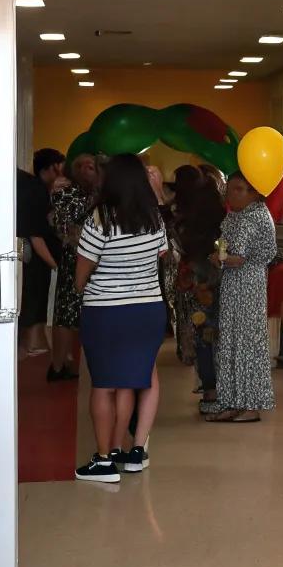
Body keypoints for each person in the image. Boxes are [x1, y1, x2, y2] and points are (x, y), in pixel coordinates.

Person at [74, 153, 168, 485]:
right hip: (148, 310)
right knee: (128, 380)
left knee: (102, 385)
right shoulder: (153, 217)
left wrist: (81, 286)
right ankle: (116, 448)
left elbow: (83, 268)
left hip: (106, 311)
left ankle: (103, 462)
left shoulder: (99, 218)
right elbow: (161, 256)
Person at [207, 171, 277, 424]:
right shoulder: (235, 215)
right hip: (232, 285)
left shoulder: (257, 215)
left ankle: (250, 404)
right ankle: (230, 401)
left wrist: (222, 259)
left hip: (249, 285)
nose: (231, 193)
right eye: (230, 188)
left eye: (238, 189)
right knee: (229, 343)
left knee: (247, 344)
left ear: (254, 193)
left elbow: (241, 257)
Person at [172, 166, 225, 405]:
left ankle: (208, 388)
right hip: (213, 274)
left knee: (201, 332)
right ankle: (218, 386)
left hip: (193, 276)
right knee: (215, 333)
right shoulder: (219, 217)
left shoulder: (183, 217)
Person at [48, 151, 99, 383]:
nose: (88, 170)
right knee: (67, 314)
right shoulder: (66, 192)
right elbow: (63, 226)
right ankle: (58, 365)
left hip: (86, 258)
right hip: (76, 258)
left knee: (75, 313)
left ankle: (67, 363)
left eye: (92, 166)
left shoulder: (97, 193)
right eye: (83, 166)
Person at [16, 149, 63, 358]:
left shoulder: (27, 186)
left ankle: (29, 342)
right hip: (35, 255)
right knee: (36, 294)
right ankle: (32, 343)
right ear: (53, 167)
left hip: (27, 251)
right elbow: (36, 234)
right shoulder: (35, 189)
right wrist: (54, 264)